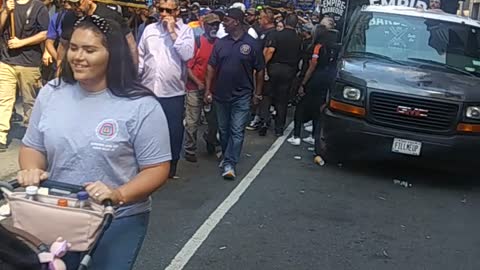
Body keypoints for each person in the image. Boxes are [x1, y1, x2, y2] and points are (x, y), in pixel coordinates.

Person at [17, 16, 171, 270]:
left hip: (115, 220)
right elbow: (33, 145)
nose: (78, 56)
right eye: (74, 48)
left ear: (113, 55)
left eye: (89, 50)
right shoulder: (52, 92)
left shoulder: (142, 106)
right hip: (57, 214)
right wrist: (30, 169)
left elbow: (157, 169)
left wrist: (118, 194)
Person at [205, 8, 265, 180]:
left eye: (227, 20)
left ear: (236, 22)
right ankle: (226, 156)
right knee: (223, 131)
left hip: (242, 95)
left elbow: (260, 70)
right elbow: (211, 66)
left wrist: (258, 93)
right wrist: (208, 89)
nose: (224, 23)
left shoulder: (252, 44)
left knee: (237, 130)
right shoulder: (221, 43)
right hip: (221, 95)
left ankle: (230, 162)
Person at [138, 0, 194, 178]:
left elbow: (187, 54)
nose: (163, 13)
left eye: (168, 10)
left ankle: (172, 164)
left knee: (173, 129)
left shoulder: (186, 31)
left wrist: (172, 32)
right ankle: (148, 162)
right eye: (160, 9)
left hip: (172, 91)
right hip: (148, 88)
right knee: (146, 128)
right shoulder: (149, 30)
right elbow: (141, 56)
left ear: (177, 11)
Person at [0, 0, 49, 152]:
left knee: (30, 102)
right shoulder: (8, 5)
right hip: (6, 61)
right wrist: (5, 12)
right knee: (4, 100)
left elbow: (45, 33)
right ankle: (1, 136)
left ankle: (32, 137)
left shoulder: (38, 6)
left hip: (29, 62)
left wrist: (22, 43)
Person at [57, 0, 138, 68]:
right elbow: (63, 45)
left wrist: (134, 68)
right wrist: (59, 69)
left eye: (78, 3)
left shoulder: (110, 16)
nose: (75, 7)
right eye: (71, 4)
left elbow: (130, 43)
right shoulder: (69, 18)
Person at [184, 13, 220, 162]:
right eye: (211, 24)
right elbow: (188, 67)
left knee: (214, 122)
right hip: (194, 88)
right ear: (204, 26)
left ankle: (210, 139)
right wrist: (198, 83)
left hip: (213, 89)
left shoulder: (220, 44)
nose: (214, 27)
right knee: (192, 121)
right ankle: (190, 149)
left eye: (217, 25)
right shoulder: (197, 43)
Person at [262, 14, 302, 136]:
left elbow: (270, 50)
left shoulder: (276, 34)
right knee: (282, 100)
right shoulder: (299, 38)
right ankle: (279, 128)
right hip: (289, 71)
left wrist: (263, 65)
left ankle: (264, 122)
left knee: (267, 96)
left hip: (274, 68)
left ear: (285, 22)